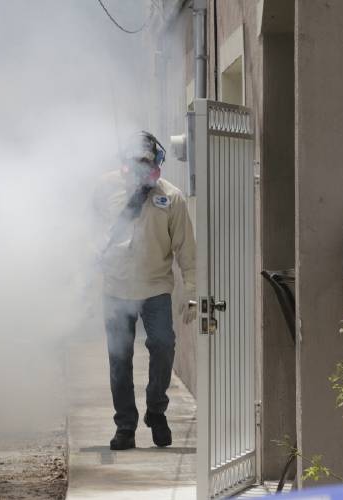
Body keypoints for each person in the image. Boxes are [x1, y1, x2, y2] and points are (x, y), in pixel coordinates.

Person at [93, 130, 196, 451]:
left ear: (158, 163)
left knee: (164, 346)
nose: (141, 168)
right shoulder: (106, 190)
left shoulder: (172, 198)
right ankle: (125, 425)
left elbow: (187, 252)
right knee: (119, 358)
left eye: (147, 162)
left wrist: (191, 294)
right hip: (116, 288)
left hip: (155, 289)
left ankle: (156, 410)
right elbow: (90, 231)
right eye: (135, 162)